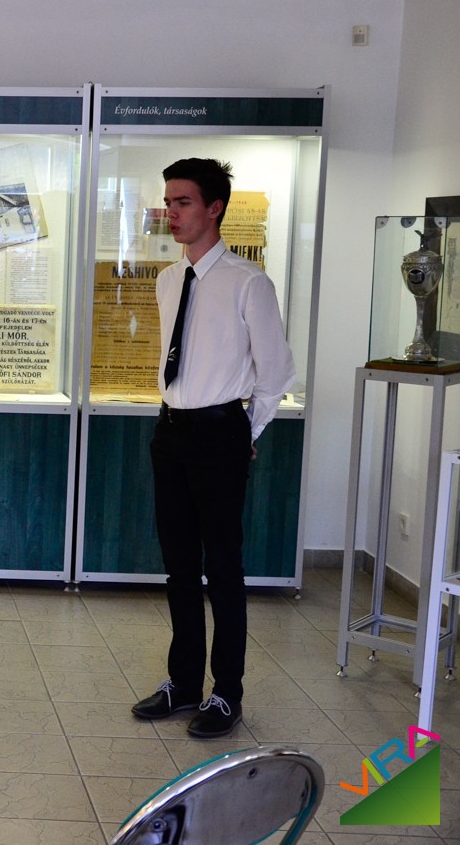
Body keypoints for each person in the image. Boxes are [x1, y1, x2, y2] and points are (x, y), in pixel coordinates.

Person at [130, 158, 295, 738]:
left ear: (214, 208)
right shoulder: (168, 279)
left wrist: (245, 432)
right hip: (171, 430)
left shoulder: (249, 282)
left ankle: (227, 693)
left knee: (222, 568)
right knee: (178, 567)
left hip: (220, 430)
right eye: (168, 202)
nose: (171, 213)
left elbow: (277, 373)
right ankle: (182, 683)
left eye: (183, 203)